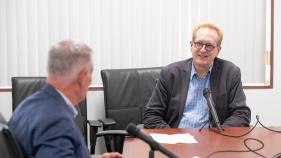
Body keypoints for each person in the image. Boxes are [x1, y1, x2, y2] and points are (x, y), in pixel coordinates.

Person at [8, 40, 123, 158]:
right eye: (90, 73)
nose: (90, 80)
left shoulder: (27, 105)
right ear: (82, 77)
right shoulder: (55, 121)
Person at [143, 23, 251, 129]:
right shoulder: (170, 73)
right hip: (177, 140)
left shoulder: (230, 73)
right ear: (191, 45)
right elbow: (152, 115)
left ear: (218, 50)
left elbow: (241, 114)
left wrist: (219, 136)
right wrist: (172, 137)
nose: (203, 49)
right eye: (199, 43)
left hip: (213, 141)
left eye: (209, 45)